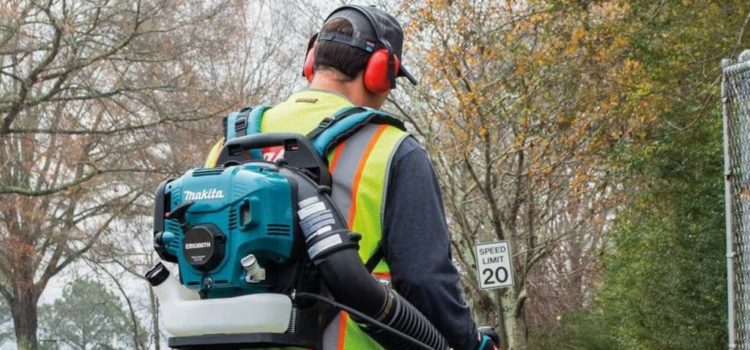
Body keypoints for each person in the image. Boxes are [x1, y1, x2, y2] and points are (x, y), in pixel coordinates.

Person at [205, 5, 499, 350]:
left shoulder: (230, 145)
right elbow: (427, 284)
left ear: (311, 61)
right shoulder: (392, 150)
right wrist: (471, 342)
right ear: (380, 72)